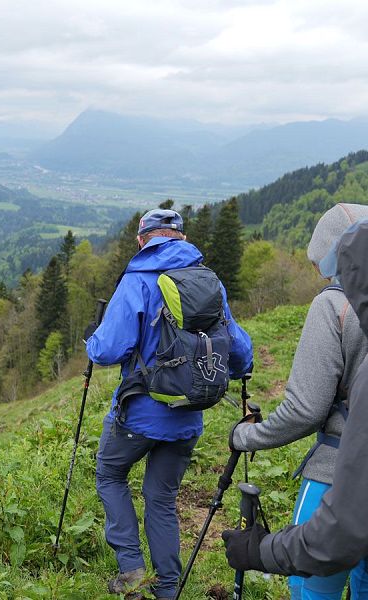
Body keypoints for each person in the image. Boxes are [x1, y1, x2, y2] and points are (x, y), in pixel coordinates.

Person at [86, 208, 253, 600]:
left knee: (110, 474)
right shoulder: (208, 281)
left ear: (142, 239)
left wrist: (90, 342)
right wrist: (238, 372)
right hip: (188, 416)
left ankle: (131, 572)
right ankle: (166, 588)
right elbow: (239, 350)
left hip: (138, 414)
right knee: (161, 498)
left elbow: (108, 349)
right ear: (181, 238)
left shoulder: (137, 279)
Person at [228, 203, 368, 600]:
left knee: (311, 589)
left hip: (334, 473)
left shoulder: (331, 306)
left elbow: (305, 409)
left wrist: (246, 436)